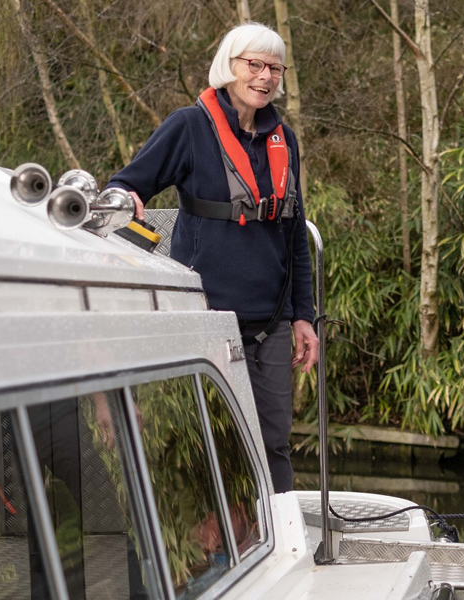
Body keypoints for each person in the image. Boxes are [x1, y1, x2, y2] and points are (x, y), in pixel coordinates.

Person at [107, 22, 317, 493]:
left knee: (274, 439)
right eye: (254, 65)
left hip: (271, 320)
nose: (265, 77)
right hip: (206, 315)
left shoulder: (285, 139)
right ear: (230, 66)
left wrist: (304, 316)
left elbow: (295, 235)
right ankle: (215, 546)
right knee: (209, 440)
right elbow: (128, 180)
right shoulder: (189, 126)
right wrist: (123, 195)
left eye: (274, 68)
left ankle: (280, 539)